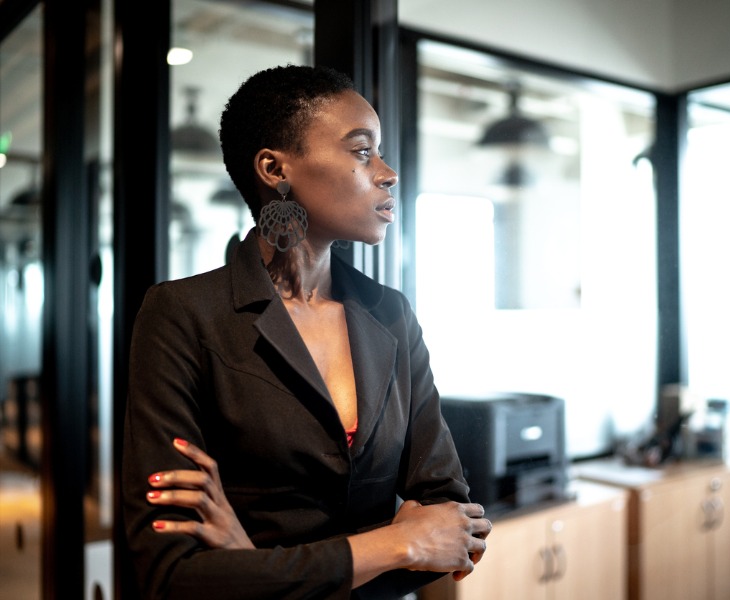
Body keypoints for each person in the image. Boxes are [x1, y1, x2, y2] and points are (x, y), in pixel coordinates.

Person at [122, 64, 491, 600]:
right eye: (363, 151)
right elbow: (171, 575)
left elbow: (459, 532)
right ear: (275, 168)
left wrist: (252, 564)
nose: (387, 173)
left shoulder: (391, 314)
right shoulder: (182, 314)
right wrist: (396, 544)